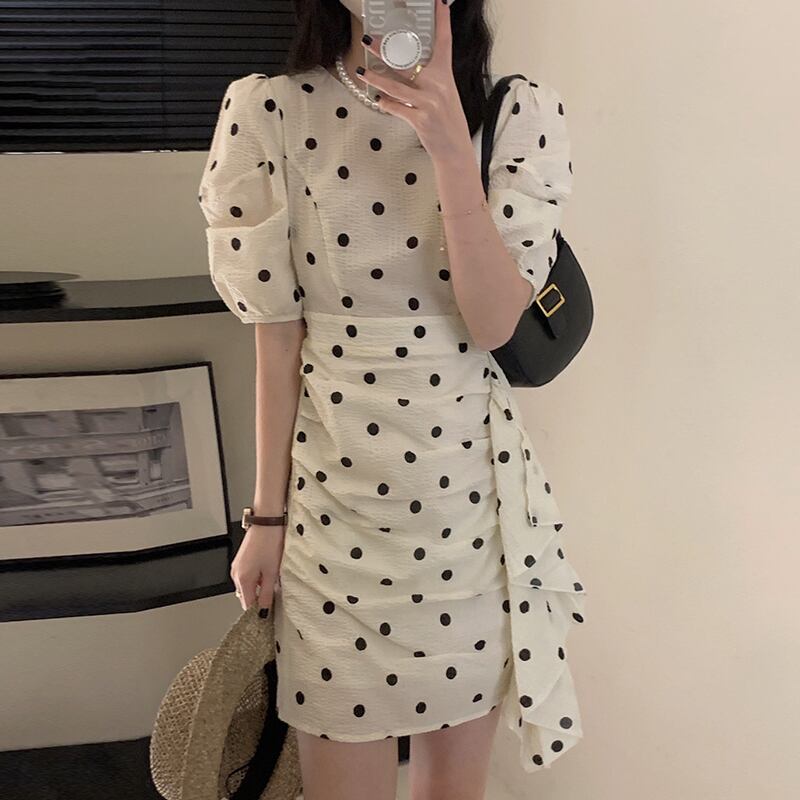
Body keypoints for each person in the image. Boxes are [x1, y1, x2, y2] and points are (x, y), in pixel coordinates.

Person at [197, 1, 588, 798]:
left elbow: (493, 323)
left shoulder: (514, 113)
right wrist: (265, 521)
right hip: (333, 523)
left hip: (466, 526)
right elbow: (278, 342)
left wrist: (450, 148)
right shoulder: (270, 111)